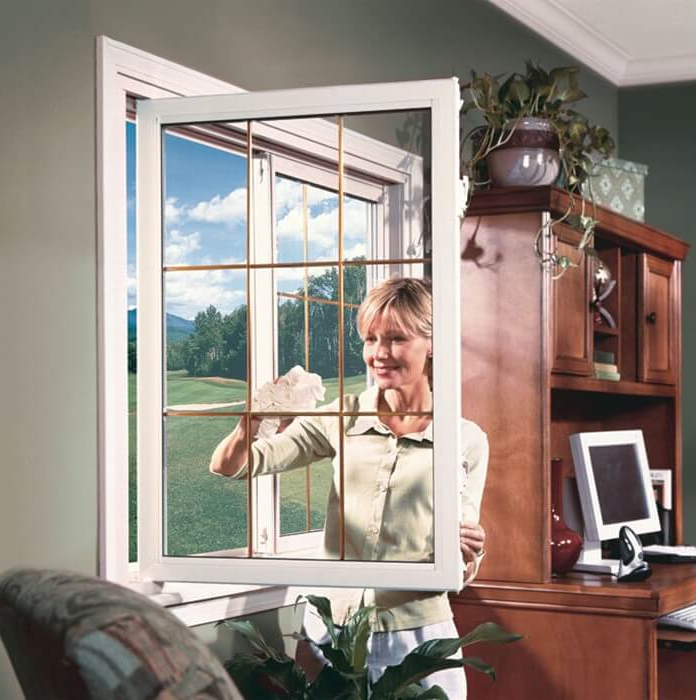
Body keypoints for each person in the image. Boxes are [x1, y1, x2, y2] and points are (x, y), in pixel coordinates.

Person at [209, 277, 488, 698]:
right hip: (331, 636)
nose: (379, 353)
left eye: (396, 338)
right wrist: (250, 424)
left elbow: (462, 556)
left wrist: (471, 549)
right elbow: (236, 466)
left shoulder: (465, 438)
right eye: (371, 338)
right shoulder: (343, 416)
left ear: (432, 343)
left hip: (415, 637)